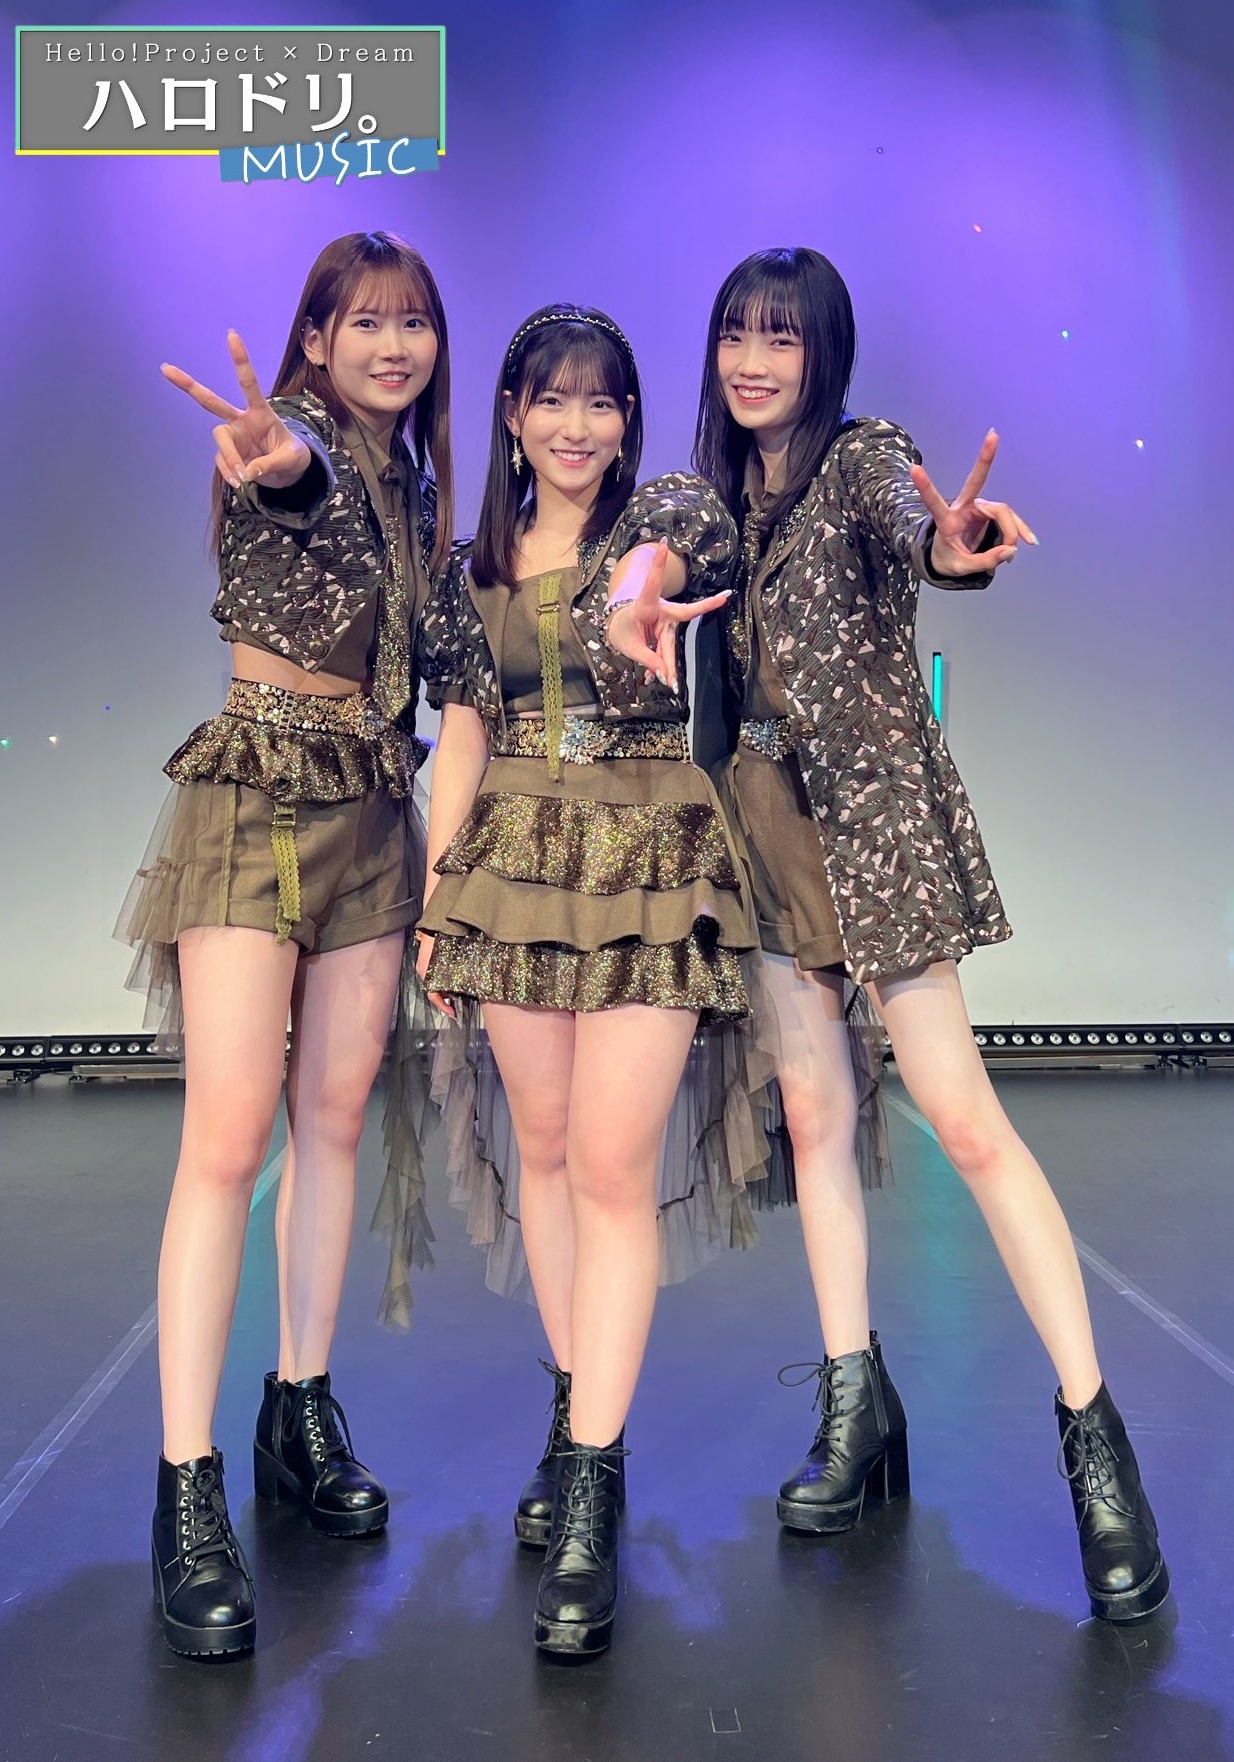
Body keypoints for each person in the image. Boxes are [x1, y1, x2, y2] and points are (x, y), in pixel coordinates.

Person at [668, 245, 1165, 1625]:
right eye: (735, 334)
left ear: (823, 353)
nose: (754, 359)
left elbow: (918, 529)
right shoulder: (716, 496)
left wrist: (955, 543)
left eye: (781, 336)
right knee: (814, 1120)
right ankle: (854, 1403)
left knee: (963, 1120)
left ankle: (1096, 1442)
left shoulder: (862, 458)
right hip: (763, 825)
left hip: (873, 827)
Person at [116, 230, 452, 1658]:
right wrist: (281, 461)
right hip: (257, 787)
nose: (392, 345)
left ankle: (296, 1407)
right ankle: (185, 1484)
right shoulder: (286, 436)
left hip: (373, 800)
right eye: (363, 321)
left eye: (413, 322)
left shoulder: (421, 480)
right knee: (227, 1140)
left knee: (334, 1121)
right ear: (313, 337)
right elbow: (294, 485)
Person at [413, 303, 765, 1656]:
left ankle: (594, 1494)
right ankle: (574, 1421)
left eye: (602, 401)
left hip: (649, 855)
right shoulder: (471, 571)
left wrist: (636, 589)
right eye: (552, 400)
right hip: (511, 860)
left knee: (613, 1168)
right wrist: (438, 901)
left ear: (627, 420)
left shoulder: (661, 519)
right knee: (549, 1154)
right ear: (511, 415)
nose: (577, 425)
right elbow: (461, 734)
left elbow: (688, 537)